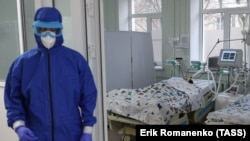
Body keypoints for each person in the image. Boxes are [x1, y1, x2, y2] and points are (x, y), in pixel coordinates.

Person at [4, 7, 97, 141]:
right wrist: (18, 125)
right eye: (42, 29)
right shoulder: (22, 64)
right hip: (35, 135)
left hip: (71, 133)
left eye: (53, 29)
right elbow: (13, 98)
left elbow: (88, 95)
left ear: (59, 30)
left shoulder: (75, 61)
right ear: (35, 29)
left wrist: (87, 130)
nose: (48, 34)